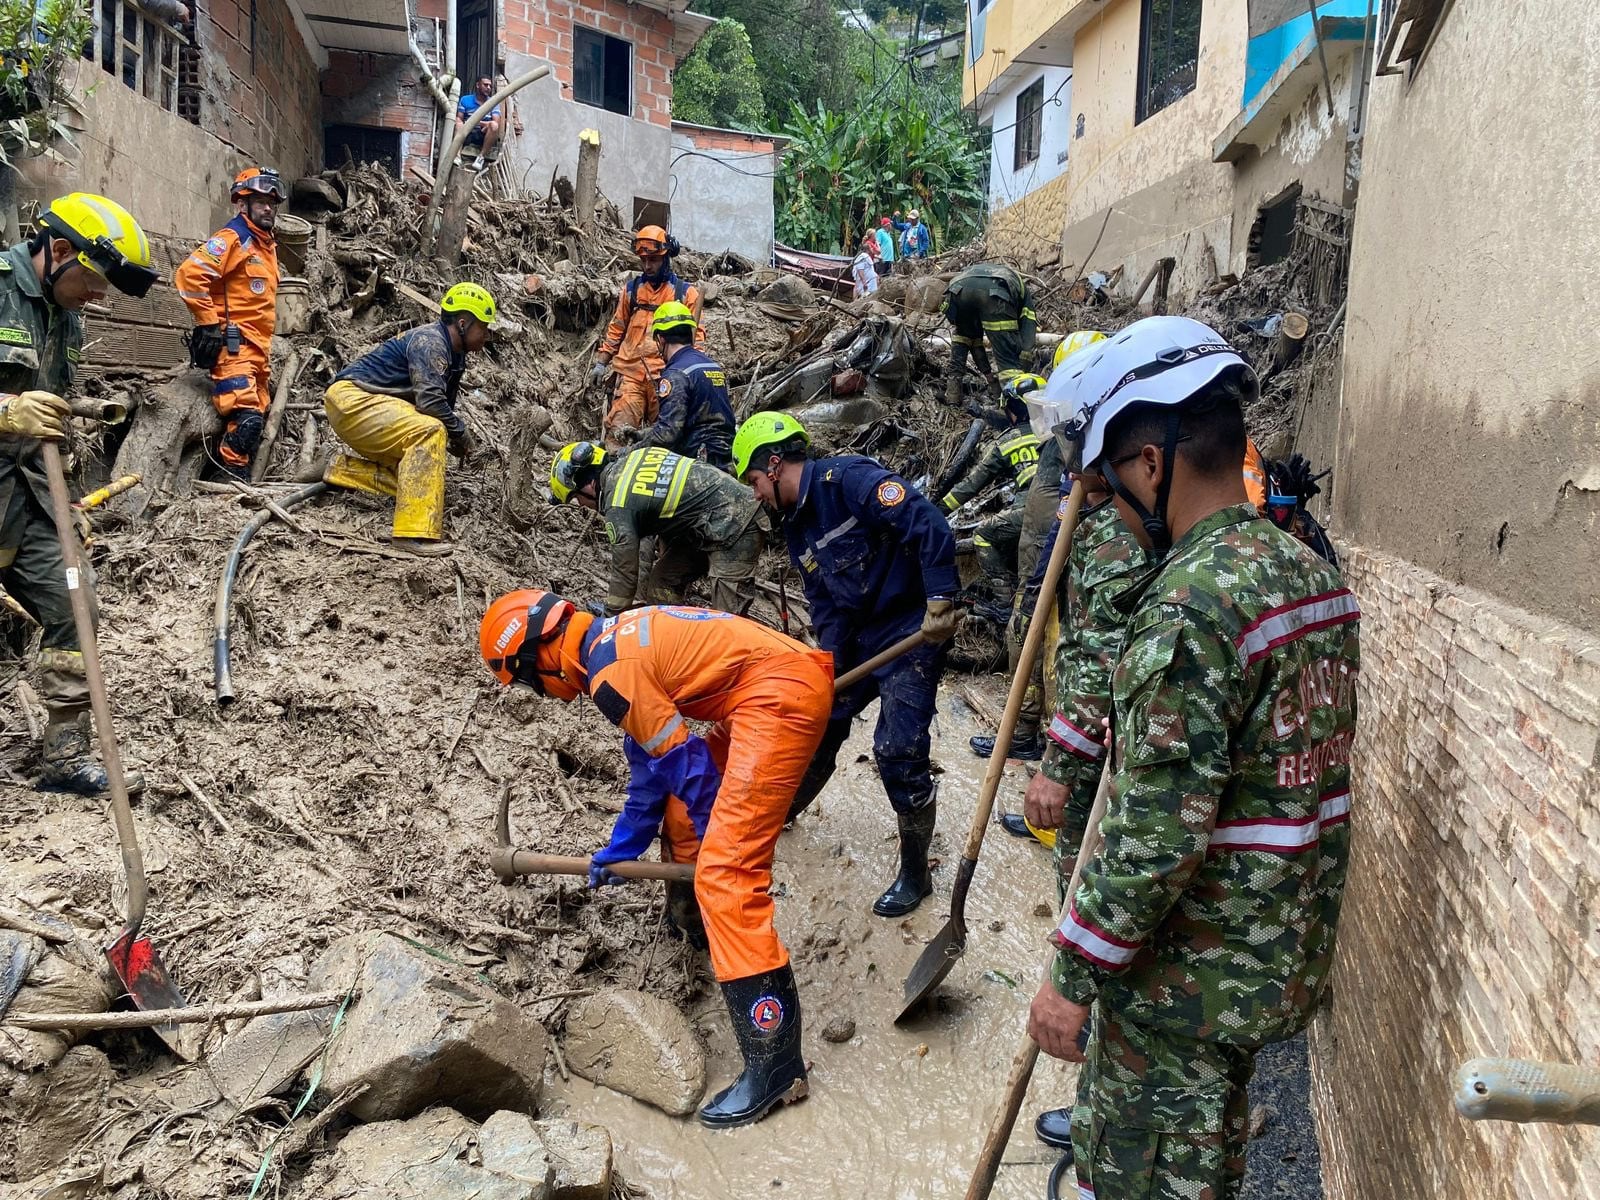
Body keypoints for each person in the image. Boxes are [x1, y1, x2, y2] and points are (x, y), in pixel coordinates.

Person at [1026, 316, 1359, 1199]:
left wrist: (1071, 975)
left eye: (1110, 484)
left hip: (1190, 974)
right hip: (1279, 944)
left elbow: (1150, 834)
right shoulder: (1308, 576)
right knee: (1206, 1150)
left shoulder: (1189, 606)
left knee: (1151, 1173)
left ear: (1149, 462)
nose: (1110, 507)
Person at [479, 590, 834, 1128]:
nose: (545, 694)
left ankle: (777, 1068)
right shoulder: (609, 648)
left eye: (528, 680)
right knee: (681, 817)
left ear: (540, 654)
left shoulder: (610, 673)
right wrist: (620, 849)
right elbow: (653, 771)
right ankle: (695, 925)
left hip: (776, 696)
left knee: (727, 877)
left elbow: (690, 769)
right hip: (767, 685)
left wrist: (728, 848)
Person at [731, 412, 960, 916]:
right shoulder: (795, 526)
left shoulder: (850, 481)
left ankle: (916, 872)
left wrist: (941, 597)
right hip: (859, 638)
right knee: (819, 719)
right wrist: (828, 670)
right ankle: (784, 811)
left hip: (911, 630)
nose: (754, 495)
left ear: (773, 465)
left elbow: (928, 524)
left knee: (897, 748)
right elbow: (826, 601)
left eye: (752, 481)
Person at [0, 194, 158, 794]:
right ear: (58, 252)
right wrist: (6, 410)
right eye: (93, 285)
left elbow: (53, 428)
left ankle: (64, 760)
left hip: (29, 500)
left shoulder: (65, 318)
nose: (99, 298)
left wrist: (65, 500)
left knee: (76, 607)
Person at [316, 283, 496, 557]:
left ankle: (337, 469)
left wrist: (453, 438)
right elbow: (431, 404)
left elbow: (442, 404)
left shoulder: (454, 356)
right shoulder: (431, 341)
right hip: (352, 398)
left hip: (369, 406)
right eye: (483, 328)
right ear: (462, 323)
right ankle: (411, 533)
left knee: (420, 480)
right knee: (429, 431)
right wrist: (462, 434)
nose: (487, 335)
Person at [549, 441, 765, 615]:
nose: (585, 507)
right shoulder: (635, 459)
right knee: (662, 585)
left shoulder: (619, 504)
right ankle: (674, 639)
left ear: (587, 486)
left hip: (737, 524)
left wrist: (611, 617)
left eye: (577, 499)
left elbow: (624, 572)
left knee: (728, 624)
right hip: (708, 526)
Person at [175, 167, 285, 480]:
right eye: (260, 201)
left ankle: (240, 478)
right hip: (233, 348)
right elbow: (189, 275)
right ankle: (227, 483)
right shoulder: (232, 240)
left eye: (272, 203)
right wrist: (208, 323)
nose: (268, 208)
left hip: (258, 351)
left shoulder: (266, 245)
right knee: (247, 420)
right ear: (242, 204)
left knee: (257, 416)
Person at [592, 226, 704, 447]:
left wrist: (693, 376)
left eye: (653, 259)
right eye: (643, 260)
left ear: (666, 257)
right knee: (618, 436)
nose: (647, 266)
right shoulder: (631, 291)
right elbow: (617, 327)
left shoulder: (685, 294)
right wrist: (602, 361)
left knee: (665, 442)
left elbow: (696, 339)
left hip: (665, 377)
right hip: (630, 375)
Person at [636, 301, 737, 469]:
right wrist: (643, 435)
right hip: (726, 459)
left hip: (698, 465)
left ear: (660, 339)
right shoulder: (711, 365)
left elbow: (667, 436)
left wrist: (630, 452)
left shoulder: (676, 374)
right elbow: (699, 419)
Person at [940, 263, 1036, 406]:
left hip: (956, 290)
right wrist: (1022, 368)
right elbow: (1028, 339)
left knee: (963, 337)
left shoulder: (1001, 277)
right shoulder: (1023, 295)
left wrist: (990, 378)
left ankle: (953, 395)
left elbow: (975, 343)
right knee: (1007, 358)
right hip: (994, 293)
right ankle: (1014, 406)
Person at [455, 76, 503, 170]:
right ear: (477, 85)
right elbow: (459, 118)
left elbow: (495, 122)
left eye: (490, 86)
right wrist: (465, 124)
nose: (488, 88)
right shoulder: (465, 100)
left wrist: (475, 122)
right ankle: (457, 156)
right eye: (485, 85)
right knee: (458, 123)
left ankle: (480, 158)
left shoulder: (493, 102)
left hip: (483, 133)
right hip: (467, 132)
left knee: (493, 125)